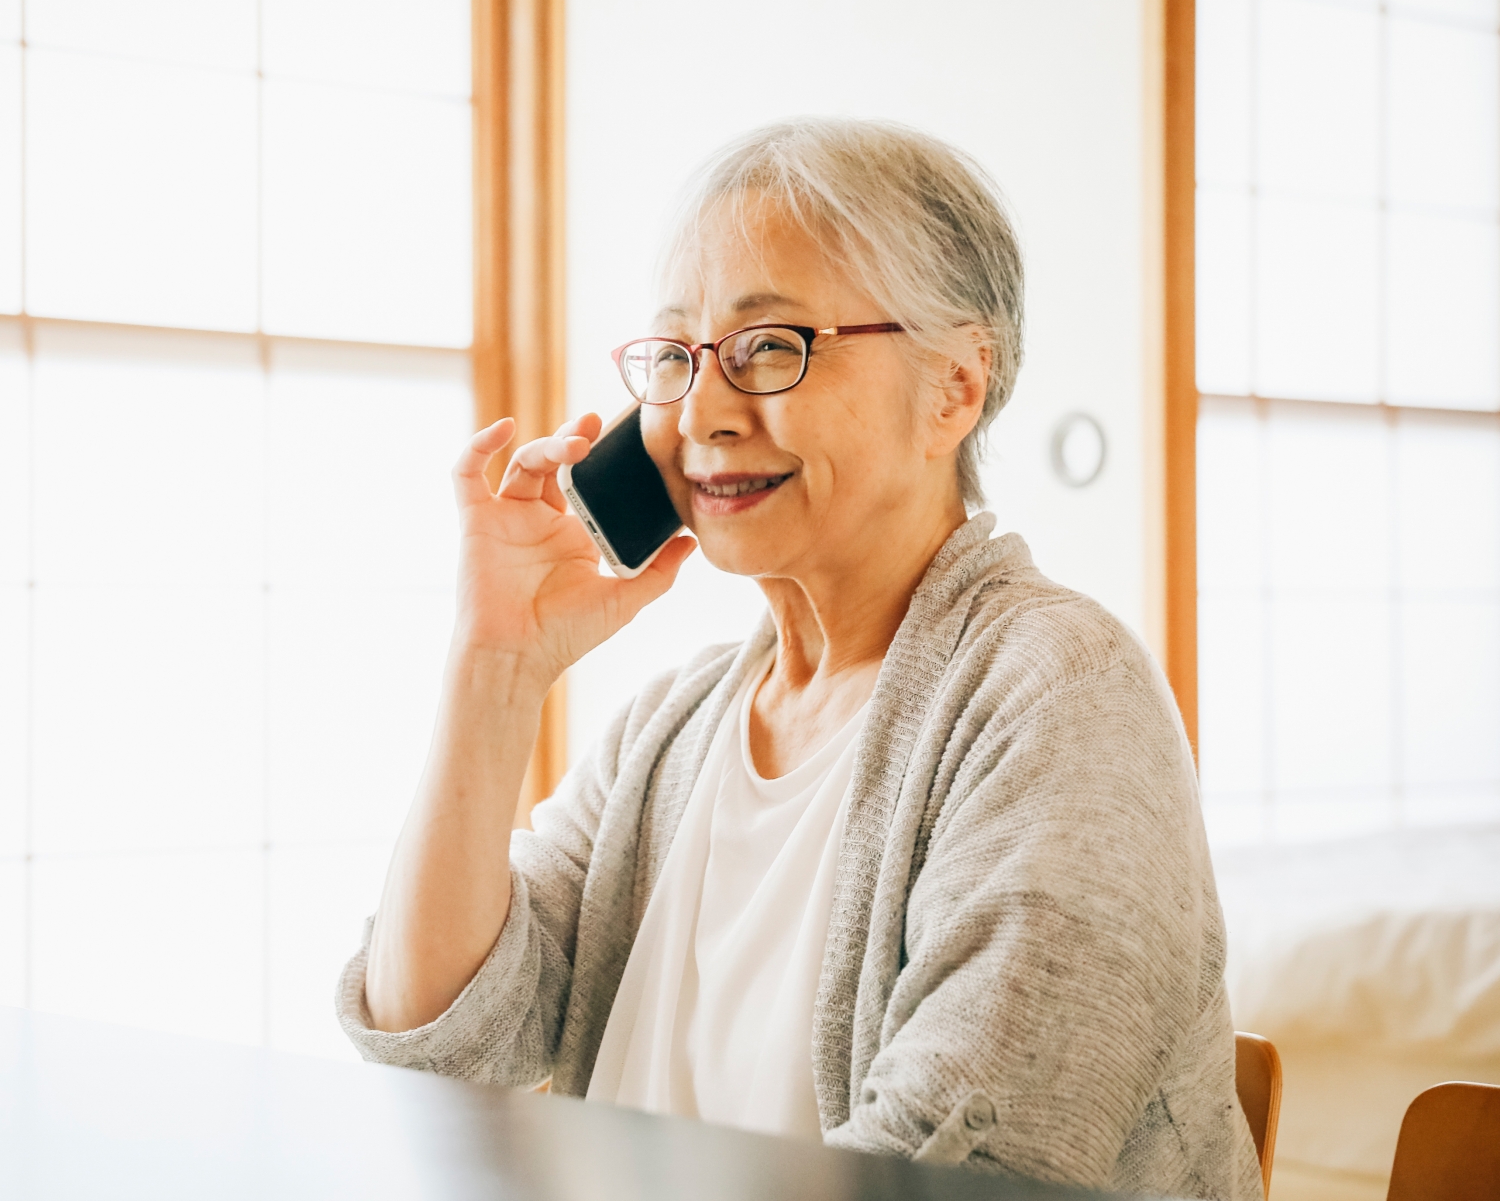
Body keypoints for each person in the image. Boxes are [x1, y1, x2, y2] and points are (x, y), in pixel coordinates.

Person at [336, 117, 1263, 1200]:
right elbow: (442, 1046)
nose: (706, 413)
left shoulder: (1059, 696)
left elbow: (958, 1173)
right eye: (679, 356)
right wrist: (494, 666)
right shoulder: (671, 729)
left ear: (955, 387)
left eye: (770, 345)